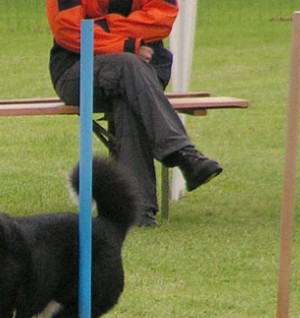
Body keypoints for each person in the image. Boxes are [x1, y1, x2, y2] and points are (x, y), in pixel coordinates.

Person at [47, 0, 222, 226]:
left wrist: (104, 27)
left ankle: (136, 210)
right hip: (77, 71)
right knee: (129, 67)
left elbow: (163, 19)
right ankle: (182, 153)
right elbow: (68, 29)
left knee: (131, 92)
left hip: (145, 67)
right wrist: (128, 46)